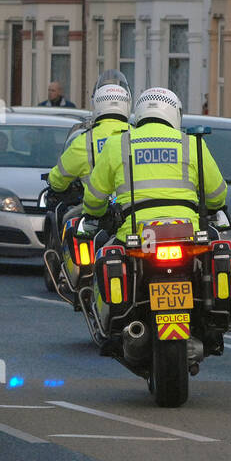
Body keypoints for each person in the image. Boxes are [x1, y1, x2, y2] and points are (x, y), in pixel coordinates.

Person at [80, 85, 227, 243]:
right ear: (175, 113)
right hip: (188, 232)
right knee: (218, 250)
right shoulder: (191, 143)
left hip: (135, 234)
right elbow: (217, 193)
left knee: (105, 256)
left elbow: (94, 197)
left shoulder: (118, 143)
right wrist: (211, 207)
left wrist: (96, 213)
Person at [43, 83, 131, 299]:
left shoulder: (85, 141)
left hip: (94, 206)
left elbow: (58, 177)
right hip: (132, 209)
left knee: (68, 221)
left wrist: (56, 188)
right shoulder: (136, 136)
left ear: (97, 106)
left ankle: (75, 274)